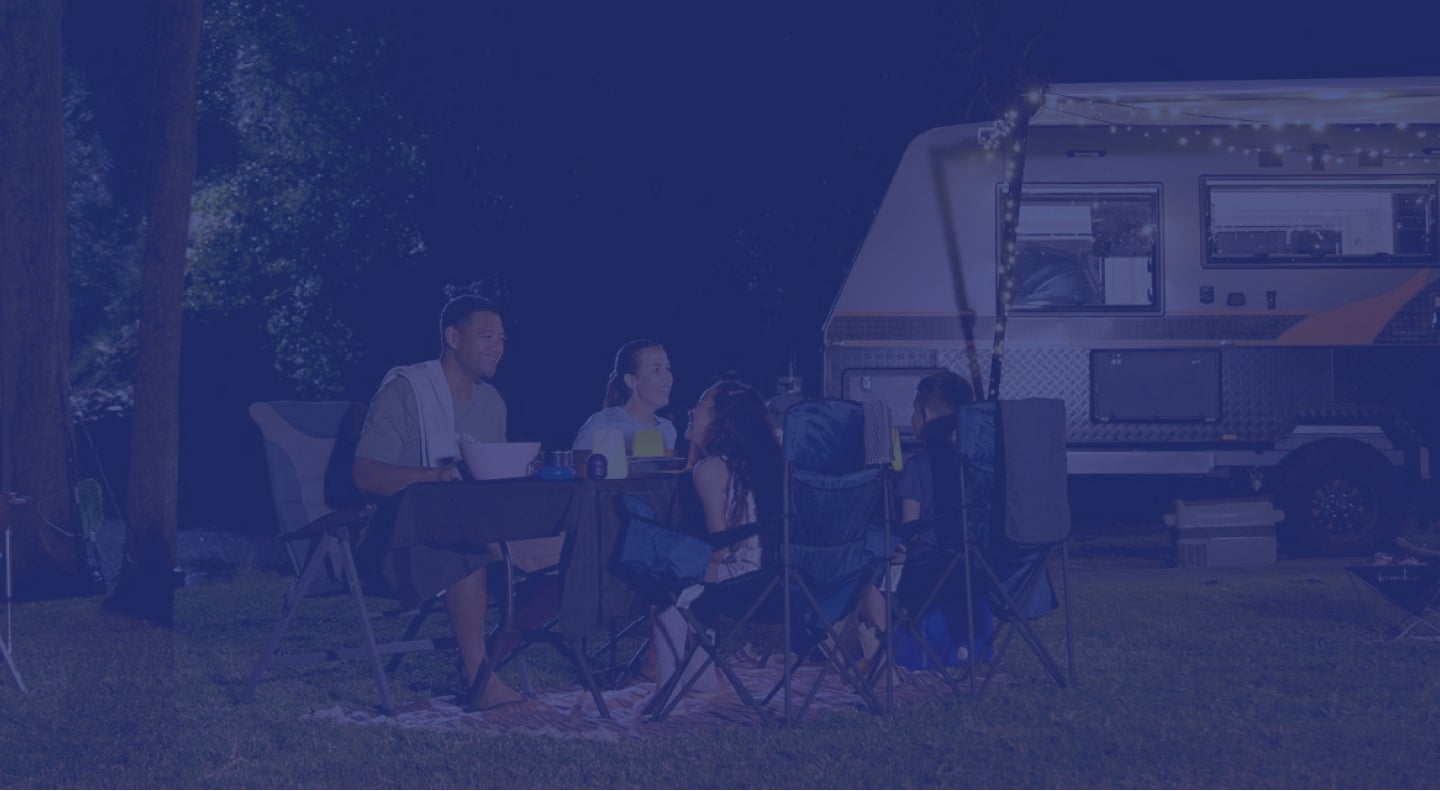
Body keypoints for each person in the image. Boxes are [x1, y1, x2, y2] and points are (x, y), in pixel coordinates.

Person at [351, 294, 523, 710]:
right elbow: (364, 476)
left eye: (501, 338)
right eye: (486, 337)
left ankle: (495, 659)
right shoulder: (406, 392)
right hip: (401, 539)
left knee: (557, 543)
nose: (497, 347)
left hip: (472, 527)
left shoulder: (492, 403)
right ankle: (478, 676)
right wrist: (436, 475)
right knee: (466, 551)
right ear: (452, 336)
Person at [647, 380, 783, 710]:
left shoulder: (710, 469)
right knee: (694, 580)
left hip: (743, 581)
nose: (692, 412)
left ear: (723, 421)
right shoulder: (767, 462)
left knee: (670, 578)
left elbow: (719, 548)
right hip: (776, 578)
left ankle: (667, 690)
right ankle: (702, 677)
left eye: (702, 406)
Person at [573, 339, 677, 455]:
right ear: (631, 381)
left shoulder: (668, 430)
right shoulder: (602, 424)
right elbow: (577, 469)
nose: (668, 377)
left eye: (668, 369)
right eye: (656, 370)